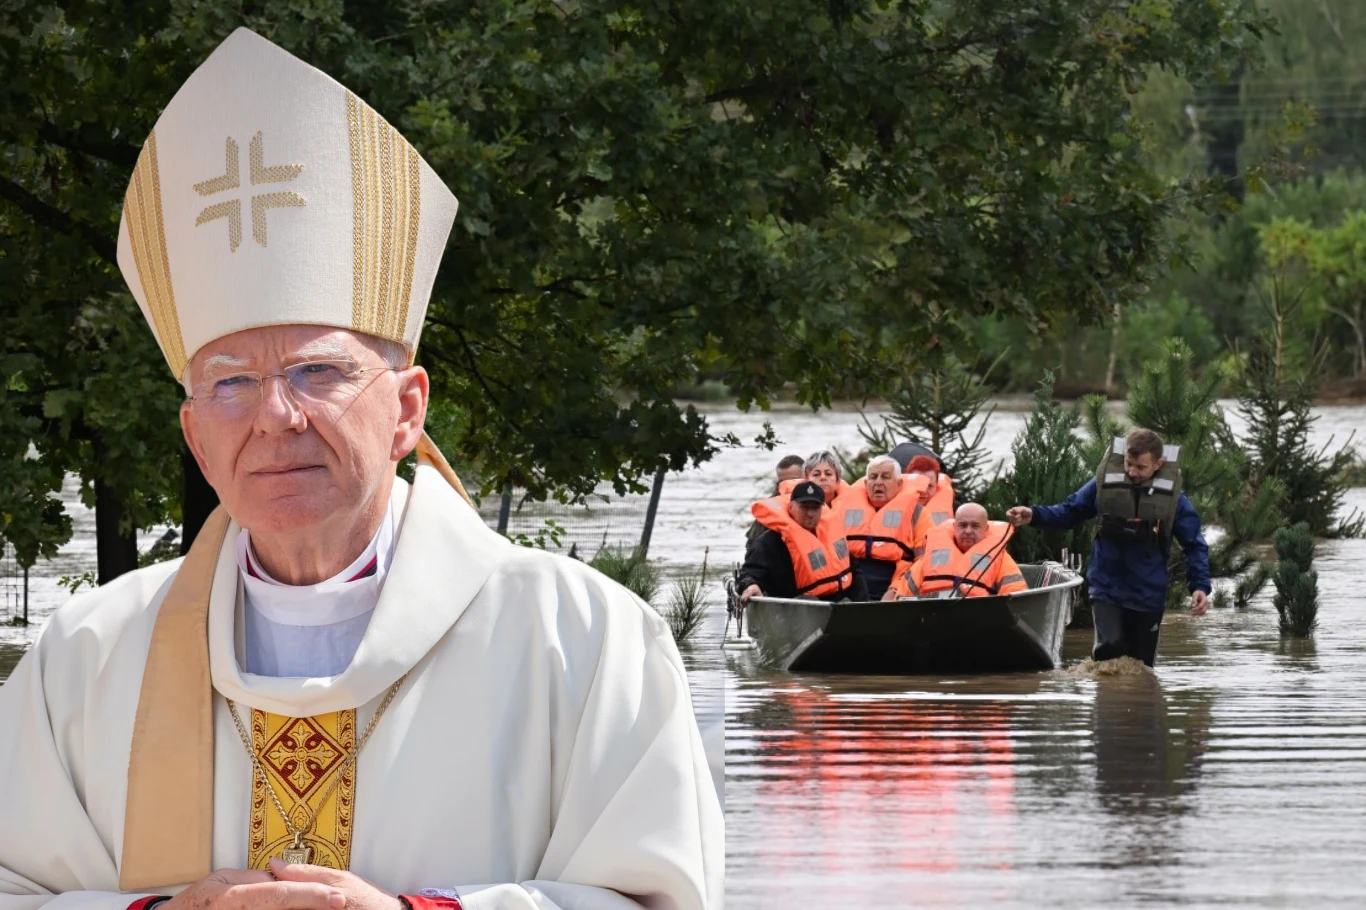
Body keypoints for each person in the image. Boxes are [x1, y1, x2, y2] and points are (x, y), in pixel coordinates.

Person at [0, 28, 720, 910]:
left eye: (321, 372)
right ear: (194, 437)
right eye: (232, 384)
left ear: (409, 409)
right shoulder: (86, 657)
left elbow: (659, 895)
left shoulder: (582, 637)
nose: (278, 416)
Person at [1007, 427, 1210, 668]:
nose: (1132, 472)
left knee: (1141, 666)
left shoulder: (1175, 500)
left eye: (1140, 467)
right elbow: (1071, 511)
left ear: (1158, 463)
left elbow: (1194, 545)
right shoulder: (1104, 483)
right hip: (1106, 586)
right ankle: (1105, 700)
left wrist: (1199, 586)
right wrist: (1034, 515)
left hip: (1148, 592)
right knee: (1108, 648)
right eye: (1128, 463)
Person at [738, 481, 868, 603]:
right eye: (804, 507)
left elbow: (853, 570)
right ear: (791, 507)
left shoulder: (832, 535)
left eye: (815, 508)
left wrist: (864, 606)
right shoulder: (768, 543)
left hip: (835, 606)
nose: (810, 514)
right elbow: (749, 574)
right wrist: (751, 585)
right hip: (794, 610)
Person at [833, 455, 930, 599]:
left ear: (899, 484)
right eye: (873, 477)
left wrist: (895, 591)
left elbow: (923, 560)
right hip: (851, 588)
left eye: (885, 477)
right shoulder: (843, 511)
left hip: (894, 589)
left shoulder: (917, 514)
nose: (878, 482)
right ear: (866, 483)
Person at [883, 504, 1028, 599]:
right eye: (963, 525)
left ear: (986, 530)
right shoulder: (931, 557)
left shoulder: (1000, 558)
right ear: (955, 527)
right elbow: (902, 597)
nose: (968, 531)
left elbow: (1016, 597)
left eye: (975, 526)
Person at [904, 454, 955, 526]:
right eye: (919, 484)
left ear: (936, 486)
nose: (924, 491)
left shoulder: (956, 510)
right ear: (908, 483)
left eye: (929, 486)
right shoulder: (890, 506)